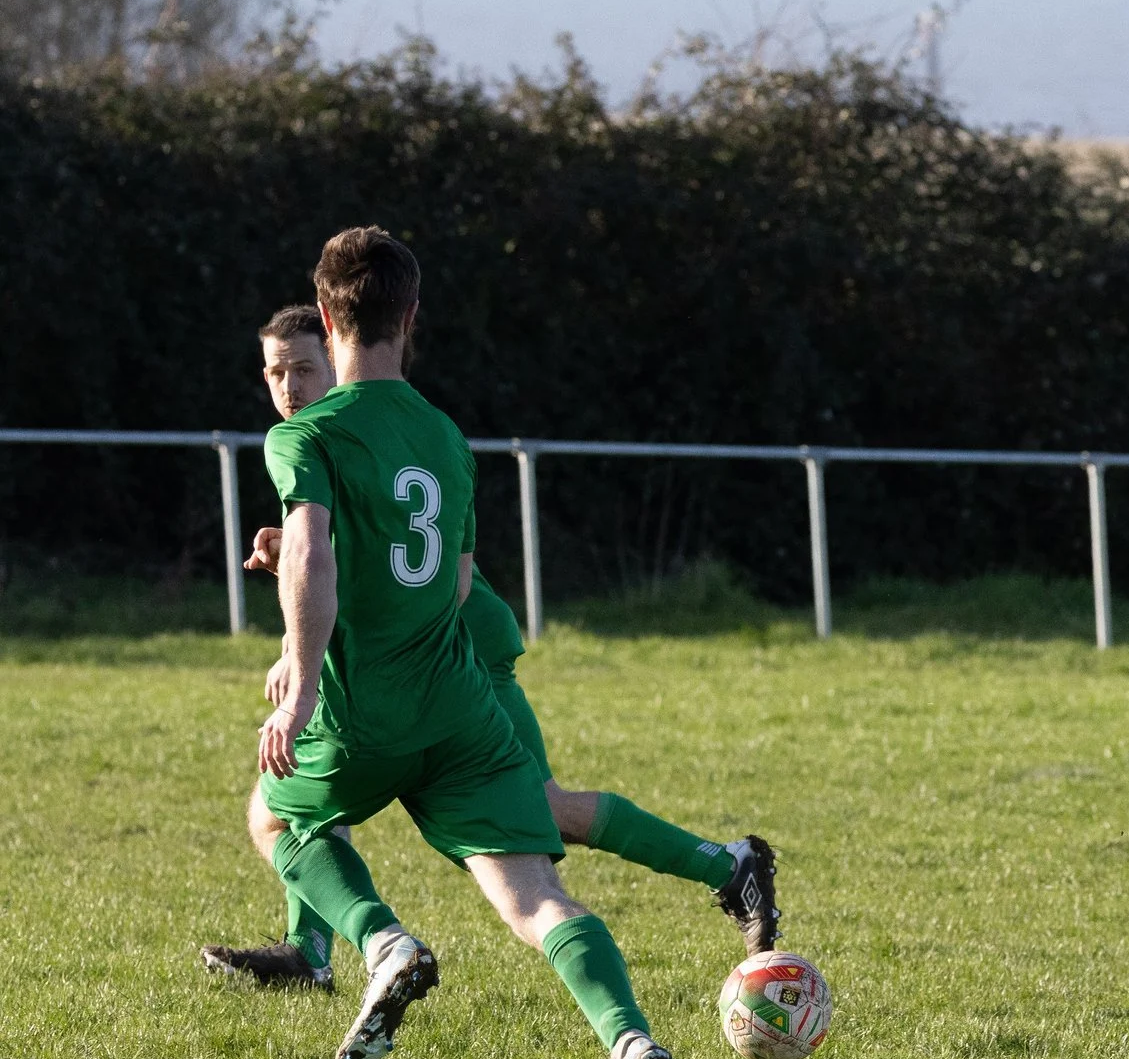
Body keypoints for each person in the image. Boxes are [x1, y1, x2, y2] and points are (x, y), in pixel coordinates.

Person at [248, 227, 684, 1059]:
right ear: (411, 318)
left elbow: (318, 553)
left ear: (328, 321)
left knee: (275, 819)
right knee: (535, 900)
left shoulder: (306, 433)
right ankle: (631, 1044)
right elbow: (450, 581)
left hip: (366, 708)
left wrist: (296, 681)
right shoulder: (446, 436)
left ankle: (381, 944)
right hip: (459, 705)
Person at [202, 305, 781, 994]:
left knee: (547, 809)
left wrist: (303, 654)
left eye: (304, 367)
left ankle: (728, 865)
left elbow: (380, 572)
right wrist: (299, 641)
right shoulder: (350, 440)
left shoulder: (358, 433)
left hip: (462, 658)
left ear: (339, 358)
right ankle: (310, 949)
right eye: (275, 372)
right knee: (310, 791)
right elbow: (335, 560)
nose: (290, 386)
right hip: (423, 661)